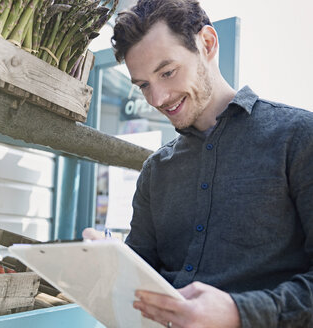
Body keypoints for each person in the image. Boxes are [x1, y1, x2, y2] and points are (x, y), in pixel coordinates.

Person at [84, 0, 313, 327]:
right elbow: (139, 283)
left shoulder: (300, 137)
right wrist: (111, 265)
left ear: (207, 43)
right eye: (144, 85)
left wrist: (238, 312)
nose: (158, 99)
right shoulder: (155, 171)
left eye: (167, 72)